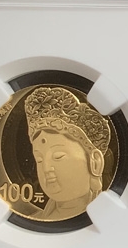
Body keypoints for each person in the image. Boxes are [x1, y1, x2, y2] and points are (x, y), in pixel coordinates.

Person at [24, 86, 111, 221]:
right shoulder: (33, 221)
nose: (46, 168)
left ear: (96, 162)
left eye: (58, 156)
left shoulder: (110, 217)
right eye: (39, 160)